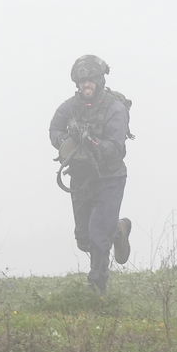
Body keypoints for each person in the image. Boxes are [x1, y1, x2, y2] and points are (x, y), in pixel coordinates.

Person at [49, 55, 133, 295]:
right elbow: (54, 128)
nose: (86, 85)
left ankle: (97, 284)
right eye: (82, 81)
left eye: (90, 80)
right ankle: (117, 230)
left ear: (99, 81)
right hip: (80, 178)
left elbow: (115, 148)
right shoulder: (69, 107)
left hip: (110, 178)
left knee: (98, 235)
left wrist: (91, 142)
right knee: (84, 238)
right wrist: (66, 141)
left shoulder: (114, 109)